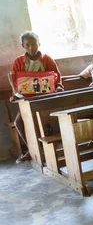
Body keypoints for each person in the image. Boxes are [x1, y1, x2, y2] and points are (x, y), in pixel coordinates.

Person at [10, 31, 62, 163]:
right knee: (18, 122)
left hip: (46, 98)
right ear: (23, 45)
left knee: (48, 119)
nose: (31, 47)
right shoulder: (18, 61)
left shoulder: (47, 59)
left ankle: (54, 148)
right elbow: (16, 82)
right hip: (28, 100)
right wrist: (15, 95)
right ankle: (31, 149)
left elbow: (57, 76)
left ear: (39, 43)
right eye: (27, 45)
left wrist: (59, 86)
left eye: (34, 44)